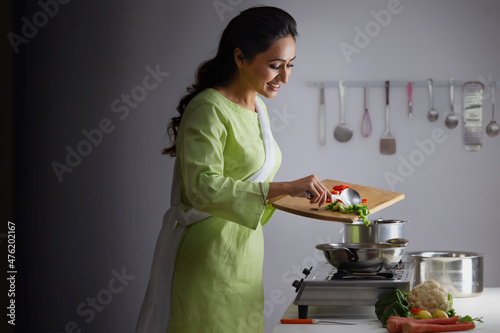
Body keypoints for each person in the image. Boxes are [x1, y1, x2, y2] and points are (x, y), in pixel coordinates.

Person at [136, 6, 330, 333]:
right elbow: (203, 188)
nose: (285, 77)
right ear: (240, 58)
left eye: (290, 66)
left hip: (246, 259)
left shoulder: (259, 108)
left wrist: (304, 196)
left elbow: (251, 187)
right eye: (275, 65)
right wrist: (285, 188)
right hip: (206, 261)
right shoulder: (207, 109)